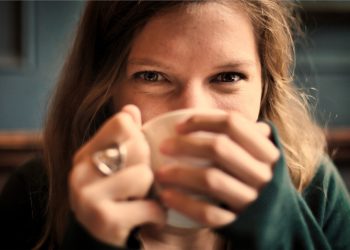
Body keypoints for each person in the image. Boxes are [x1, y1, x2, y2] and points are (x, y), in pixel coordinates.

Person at [1, 1, 349, 249]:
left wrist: (281, 232)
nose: (193, 111)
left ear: (265, 87)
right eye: (152, 76)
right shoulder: (35, 194)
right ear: (106, 90)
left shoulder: (314, 190)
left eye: (227, 77)